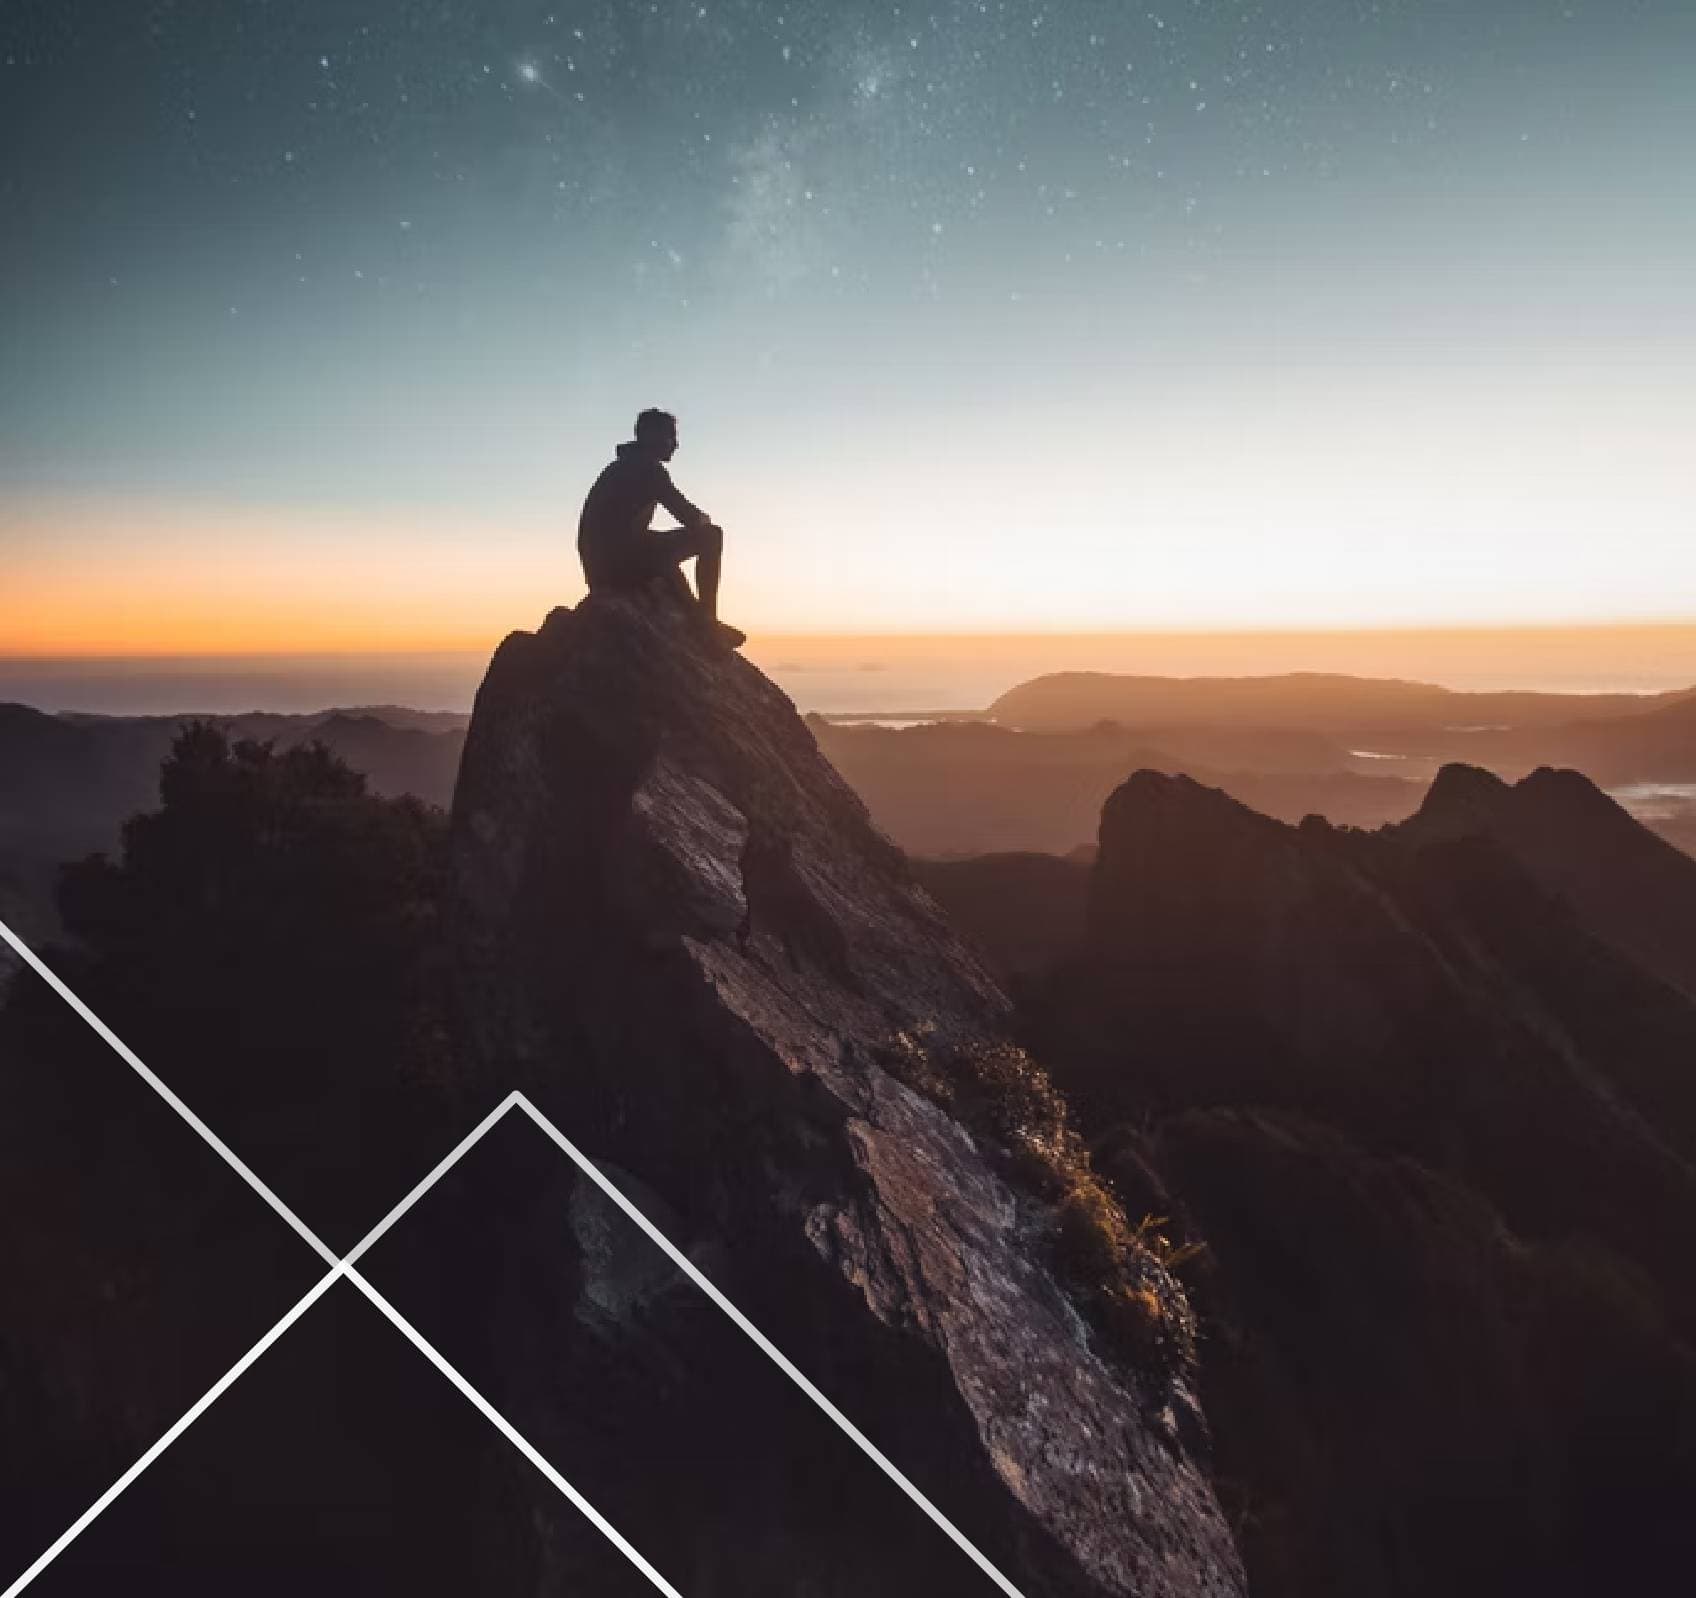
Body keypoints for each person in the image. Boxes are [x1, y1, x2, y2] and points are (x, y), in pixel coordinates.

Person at [577, 408, 746, 647]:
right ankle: (708, 623)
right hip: (619, 566)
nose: (675, 445)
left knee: (663, 556)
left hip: (601, 569)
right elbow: (687, 515)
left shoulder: (619, 467)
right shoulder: (649, 470)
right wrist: (704, 519)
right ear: (649, 436)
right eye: (670, 437)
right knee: (711, 536)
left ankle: (700, 620)